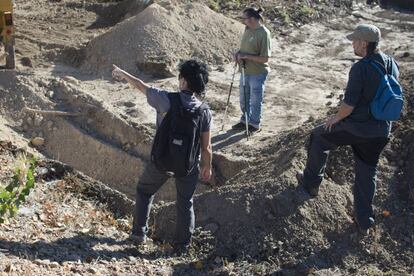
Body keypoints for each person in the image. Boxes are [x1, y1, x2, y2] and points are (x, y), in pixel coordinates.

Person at [296, 24, 400, 234]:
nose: (352, 44)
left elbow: (348, 106)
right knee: (367, 171)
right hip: (381, 131)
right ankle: (365, 221)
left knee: (319, 136)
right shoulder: (392, 63)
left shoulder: (360, 68)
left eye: (354, 40)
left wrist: (334, 118)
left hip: (357, 128)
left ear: (364, 43)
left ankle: (311, 183)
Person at [112, 59, 213, 254]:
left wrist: (123, 73)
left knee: (144, 190)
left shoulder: (166, 99)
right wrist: (206, 166)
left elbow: (141, 86)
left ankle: (138, 234)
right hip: (188, 166)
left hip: (162, 161)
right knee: (185, 203)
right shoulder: (204, 111)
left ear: (183, 81)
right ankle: (182, 247)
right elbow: (206, 146)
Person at [232, 7, 271, 133]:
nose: (243, 21)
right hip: (244, 70)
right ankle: (245, 121)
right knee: (244, 98)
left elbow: (265, 58)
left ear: (252, 19)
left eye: (245, 19)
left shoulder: (264, 33)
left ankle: (254, 124)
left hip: (257, 73)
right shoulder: (247, 29)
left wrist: (246, 56)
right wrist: (238, 53)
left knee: (255, 100)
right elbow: (245, 47)